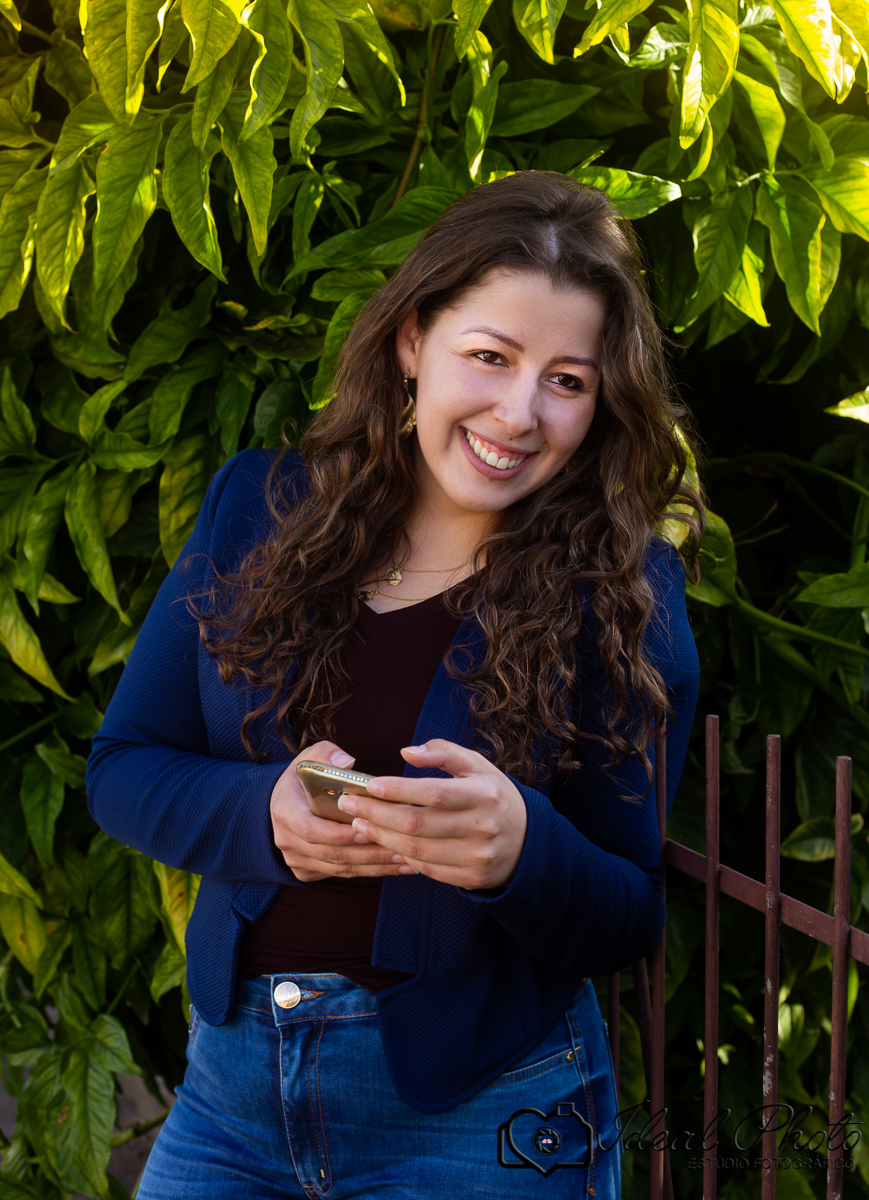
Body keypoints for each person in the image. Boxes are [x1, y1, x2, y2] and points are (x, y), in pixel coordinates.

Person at [86, 170, 702, 1199]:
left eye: (565, 379)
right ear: (414, 341)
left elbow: (626, 911)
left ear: (599, 404)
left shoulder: (623, 590)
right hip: (231, 1102)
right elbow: (122, 770)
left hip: (482, 1115)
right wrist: (264, 812)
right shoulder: (259, 507)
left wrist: (517, 849)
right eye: (489, 356)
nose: (517, 412)